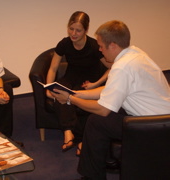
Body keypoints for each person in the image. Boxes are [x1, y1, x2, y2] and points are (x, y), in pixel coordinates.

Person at [52, 20, 170, 179]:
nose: (100, 50)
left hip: (154, 128)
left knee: (96, 121)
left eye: (101, 46)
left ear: (113, 45)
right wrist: (76, 93)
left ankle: (92, 176)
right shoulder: (134, 53)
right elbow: (111, 90)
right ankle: (105, 159)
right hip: (162, 118)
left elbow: (102, 108)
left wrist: (69, 100)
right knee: (104, 118)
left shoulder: (121, 67)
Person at [46, 11, 111, 154]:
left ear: (86, 30)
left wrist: (96, 84)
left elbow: (112, 68)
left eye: (78, 30)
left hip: (89, 81)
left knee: (80, 101)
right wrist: (48, 87)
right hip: (70, 78)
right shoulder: (64, 43)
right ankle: (68, 132)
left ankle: (82, 140)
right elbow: (53, 68)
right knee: (59, 93)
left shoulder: (94, 46)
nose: (73, 33)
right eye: (71, 29)